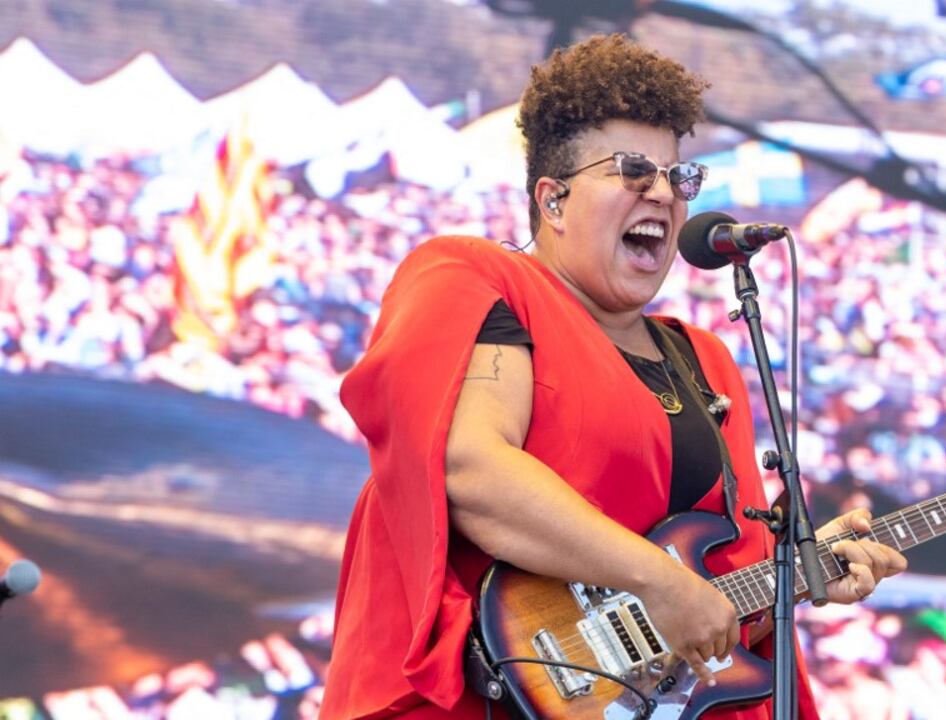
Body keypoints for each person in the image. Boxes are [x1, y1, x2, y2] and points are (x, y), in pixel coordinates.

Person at [319, 35, 906, 720]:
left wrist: (798, 571)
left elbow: (705, 606)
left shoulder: (705, 359)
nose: (662, 192)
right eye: (632, 171)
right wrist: (658, 579)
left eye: (678, 178)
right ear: (553, 200)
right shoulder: (478, 278)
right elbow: (472, 470)